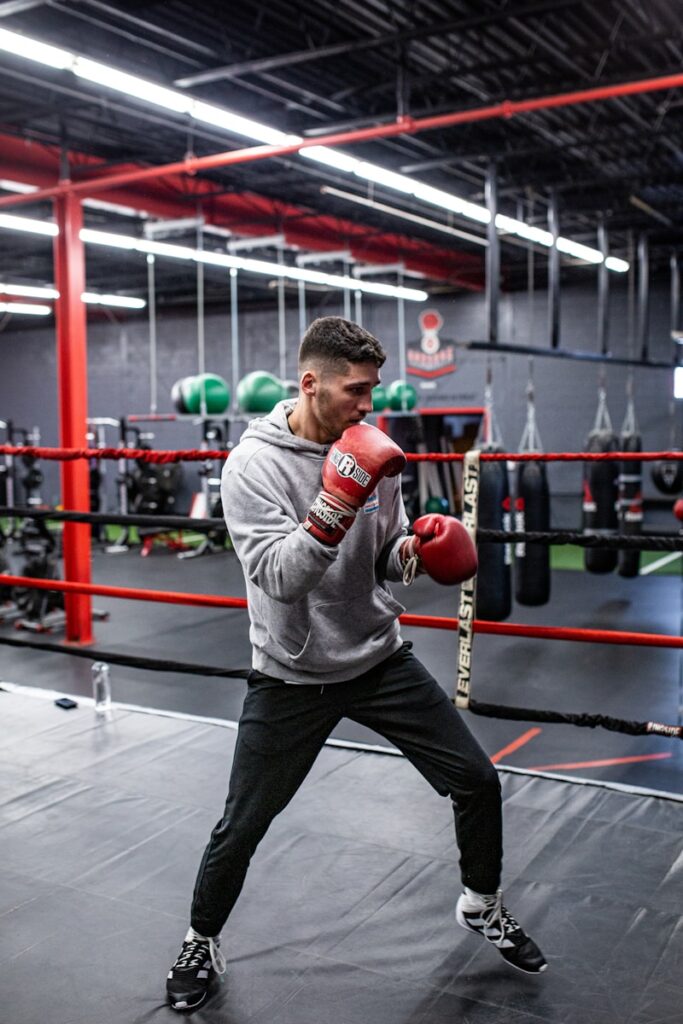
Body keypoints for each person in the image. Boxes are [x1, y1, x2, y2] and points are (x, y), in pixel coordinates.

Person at [166, 317, 547, 1011]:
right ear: (310, 383)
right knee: (242, 825)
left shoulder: (370, 449)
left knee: (476, 780)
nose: (367, 405)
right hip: (289, 672)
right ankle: (200, 937)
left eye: (371, 389)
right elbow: (279, 577)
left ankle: (479, 902)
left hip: (376, 657)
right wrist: (332, 504)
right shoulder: (251, 467)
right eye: (356, 390)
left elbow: (384, 552)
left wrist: (418, 554)